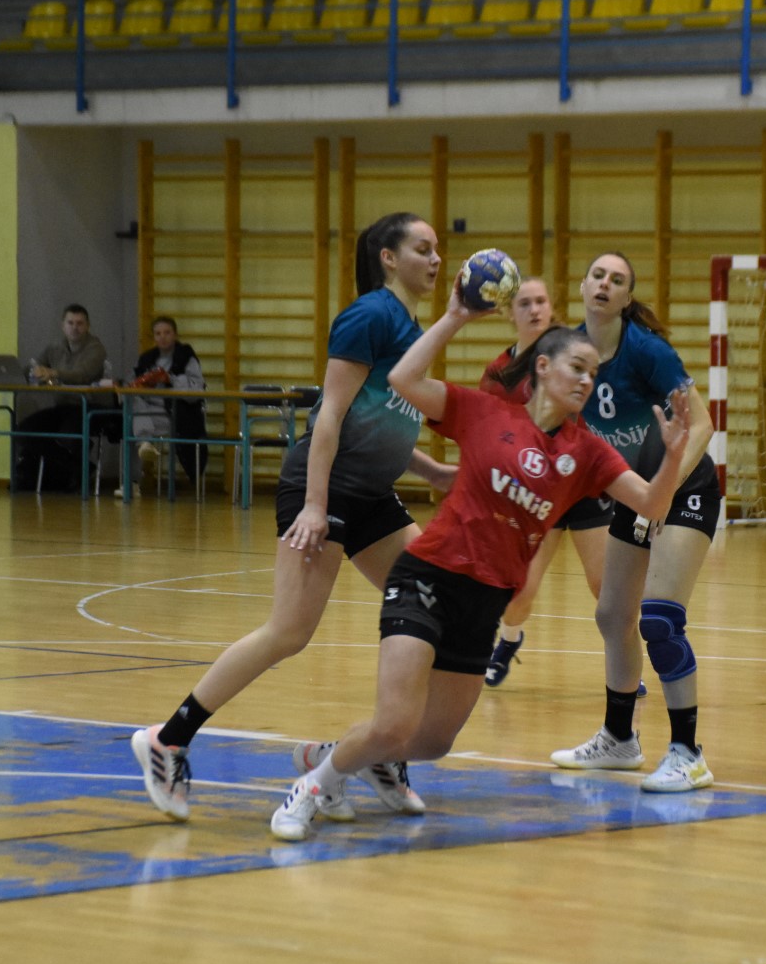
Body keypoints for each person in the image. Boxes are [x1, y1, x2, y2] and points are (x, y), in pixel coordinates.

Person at [268, 305, 694, 841]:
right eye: (576, 367)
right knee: (394, 722)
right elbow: (403, 378)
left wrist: (672, 456)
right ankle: (312, 787)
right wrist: (454, 316)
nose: (587, 380)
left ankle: (343, 756)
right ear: (542, 367)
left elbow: (652, 504)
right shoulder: (485, 412)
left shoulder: (587, 452)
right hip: (427, 578)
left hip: (486, 601)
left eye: (593, 372)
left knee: (432, 743)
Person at [130, 212, 460, 823]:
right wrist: (314, 504)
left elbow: (378, 418)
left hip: (371, 494)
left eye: (438, 249)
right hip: (327, 489)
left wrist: (430, 470)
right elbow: (330, 414)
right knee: (288, 631)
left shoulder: (406, 323)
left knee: (437, 602)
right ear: (389, 258)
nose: (436, 259)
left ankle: (377, 750)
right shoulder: (370, 315)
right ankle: (167, 739)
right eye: (423, 248)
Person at [549, 253, 722, 794]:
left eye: (617, 279)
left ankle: (688, 754)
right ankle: (620, 739)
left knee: (661, 618)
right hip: (636, 493)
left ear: (627, 297)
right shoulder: (571, 353)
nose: (605, 284)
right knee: (612, 615)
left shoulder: (647, 352)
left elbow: (703, 425)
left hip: (685, 490)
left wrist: (663, 493)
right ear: (583, 287)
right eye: (598, 275)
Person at [479, 278, 612, 687]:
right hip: (534, 491)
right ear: (509, 313)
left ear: (551, 307)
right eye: (525, 303)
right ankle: (509, 639)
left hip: (580, 482)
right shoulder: (499, 374)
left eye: (541, 301)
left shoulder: (572, 352)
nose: (535, 309)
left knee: (606, 588)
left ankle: (623, 664)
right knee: (520, 592)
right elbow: (489, 436)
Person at [15, 304, 112, 492]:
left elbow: (82, 375)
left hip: (90, 407)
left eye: (80, 323)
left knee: (69, 434)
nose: (75, 327)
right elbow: (33, 367)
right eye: (70, 323)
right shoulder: (54, 347)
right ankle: (76, 465)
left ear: (87, 326)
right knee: (25, 431)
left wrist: (52, 372)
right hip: (64, 406)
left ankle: (75, 471)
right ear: (63, 325)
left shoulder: (96, 349)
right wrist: (18, 373)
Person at [123, 315, 208, 496]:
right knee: (131, 409)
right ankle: (142, 447)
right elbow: (129, 383)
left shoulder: (186, 357)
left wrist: (171, 379)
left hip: (173, 412)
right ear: (153, 336)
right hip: (146, 410)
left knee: (131, 426)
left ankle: (132, 480)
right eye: (158, 333)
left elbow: (197, 391)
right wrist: (139, 383)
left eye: (167, 332)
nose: (162, 337)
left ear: (175, 335)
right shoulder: (146, 358)